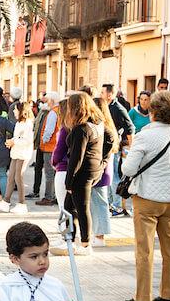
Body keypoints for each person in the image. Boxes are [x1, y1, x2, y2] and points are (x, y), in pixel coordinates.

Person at [122, 91, 170, 301]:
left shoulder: (145, 135)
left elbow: (128, 169)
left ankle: (142, 297)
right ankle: (168, 294)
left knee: (144, 250)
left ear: (152, 111)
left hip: (147, 199)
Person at [52, 92, 105, 256]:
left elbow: (76, 158)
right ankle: (70, 239)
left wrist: (69, 183)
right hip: (92, 170)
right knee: (69, 208)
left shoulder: (81, 129)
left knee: (81, 208)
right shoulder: (96, 124)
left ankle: (85, 244)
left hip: (81, 173)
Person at [101, 84, 135, 216]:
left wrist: (130, 147)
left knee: (114, 175)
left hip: (114, 148)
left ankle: (117, 206)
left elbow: (130, 127)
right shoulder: (107, 107)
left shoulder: (118, 108)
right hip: (107, 147)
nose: (101, 94)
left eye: (103, 92)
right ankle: (111, 204)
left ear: (109, 94)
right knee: (109, 176)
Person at [90, 97, 119, 247]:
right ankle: (97, 234)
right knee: (98, 202)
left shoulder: (102, 128)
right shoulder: (108, 126)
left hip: (99, 169)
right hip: (105, 170)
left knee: (99, 202)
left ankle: (100, 236)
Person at [0, 101, 34, 214]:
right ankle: (6, 201)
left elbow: (27, 140)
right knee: (11, 177)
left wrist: (14, 142)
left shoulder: (28, 124)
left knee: (19, 177)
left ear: (21, 111)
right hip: (16, 153)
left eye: (15, 109)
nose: (13, 111)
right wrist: (12, 141)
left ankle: (22, 203)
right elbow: (17, 137)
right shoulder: (19, 123)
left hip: (23, 154)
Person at [36, 92, 61, 206]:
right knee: (55, 173)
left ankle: (48, 197)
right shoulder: (60, 111)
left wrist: (43, 141)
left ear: (52, 101)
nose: (46, 101)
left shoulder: (52, 113)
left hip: (50, 147)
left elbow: (49, 131)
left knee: (49, 173)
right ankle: (56, 196)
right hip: (57, 146)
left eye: (48, 100)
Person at [26, 99, 48, 200]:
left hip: (47, 146)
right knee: (38, 168)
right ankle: (36, 191)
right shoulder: (42, 112)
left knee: (49, 172)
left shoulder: (52, 113)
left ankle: (49, 195)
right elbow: (37, 127)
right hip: (40, 145)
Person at [51, 98, 69, 212]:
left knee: (63, 205)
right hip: (70, 168)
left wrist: (54, 161)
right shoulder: (75, 127)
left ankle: (65, 228)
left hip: (63, 168)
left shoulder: (65, 129)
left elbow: (59, 149)